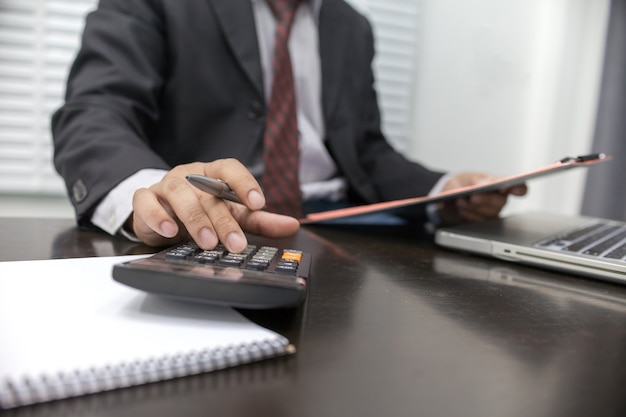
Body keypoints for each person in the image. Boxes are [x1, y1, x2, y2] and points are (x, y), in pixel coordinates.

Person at [52, 0, 526, 253]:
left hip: (343, 230)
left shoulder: (350, 25)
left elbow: (364, 148)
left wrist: (446, 191)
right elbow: (95, 111)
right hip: (215, 225)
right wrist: (152, 194)